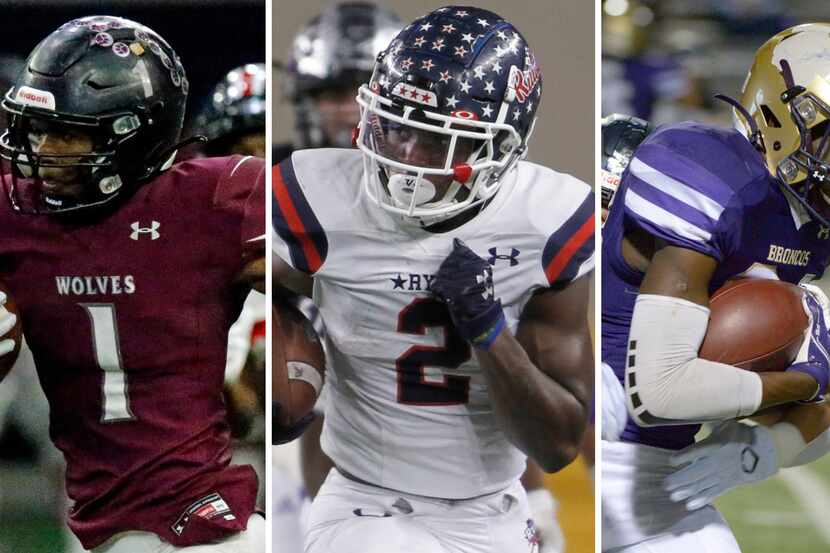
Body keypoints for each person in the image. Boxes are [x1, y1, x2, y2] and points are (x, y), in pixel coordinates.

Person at [273, 6, 594, 552]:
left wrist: (488, 328)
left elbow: (559, 443)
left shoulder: (549, 221)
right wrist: (283, 363)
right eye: (396, 127)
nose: (407, 160)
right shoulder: (314, 196)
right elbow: (260, 299)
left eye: (438, 141)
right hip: (362, 501)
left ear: (501, 148)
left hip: (495, 507)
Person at [0, 16, 265, 552]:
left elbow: (341, 265)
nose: (45, 150)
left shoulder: (215, 201)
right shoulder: (13, 210)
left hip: (204, 519)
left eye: (70, 133)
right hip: (98, 517)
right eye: (38, 128)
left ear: (135, 132)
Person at [601, 22, 830, 552]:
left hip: (663, 479)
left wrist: (763, 448)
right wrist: (806, 379)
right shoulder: (710, 173)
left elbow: (819, 406)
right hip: (602, 449)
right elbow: (659, 390)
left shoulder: (809, 228)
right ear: (781, 116)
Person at [274, 0, 402, 163]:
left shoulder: (434, 174)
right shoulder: (272, 175)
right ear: (307, 102)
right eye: (335, 96)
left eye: (371, 95)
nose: (352, 114)